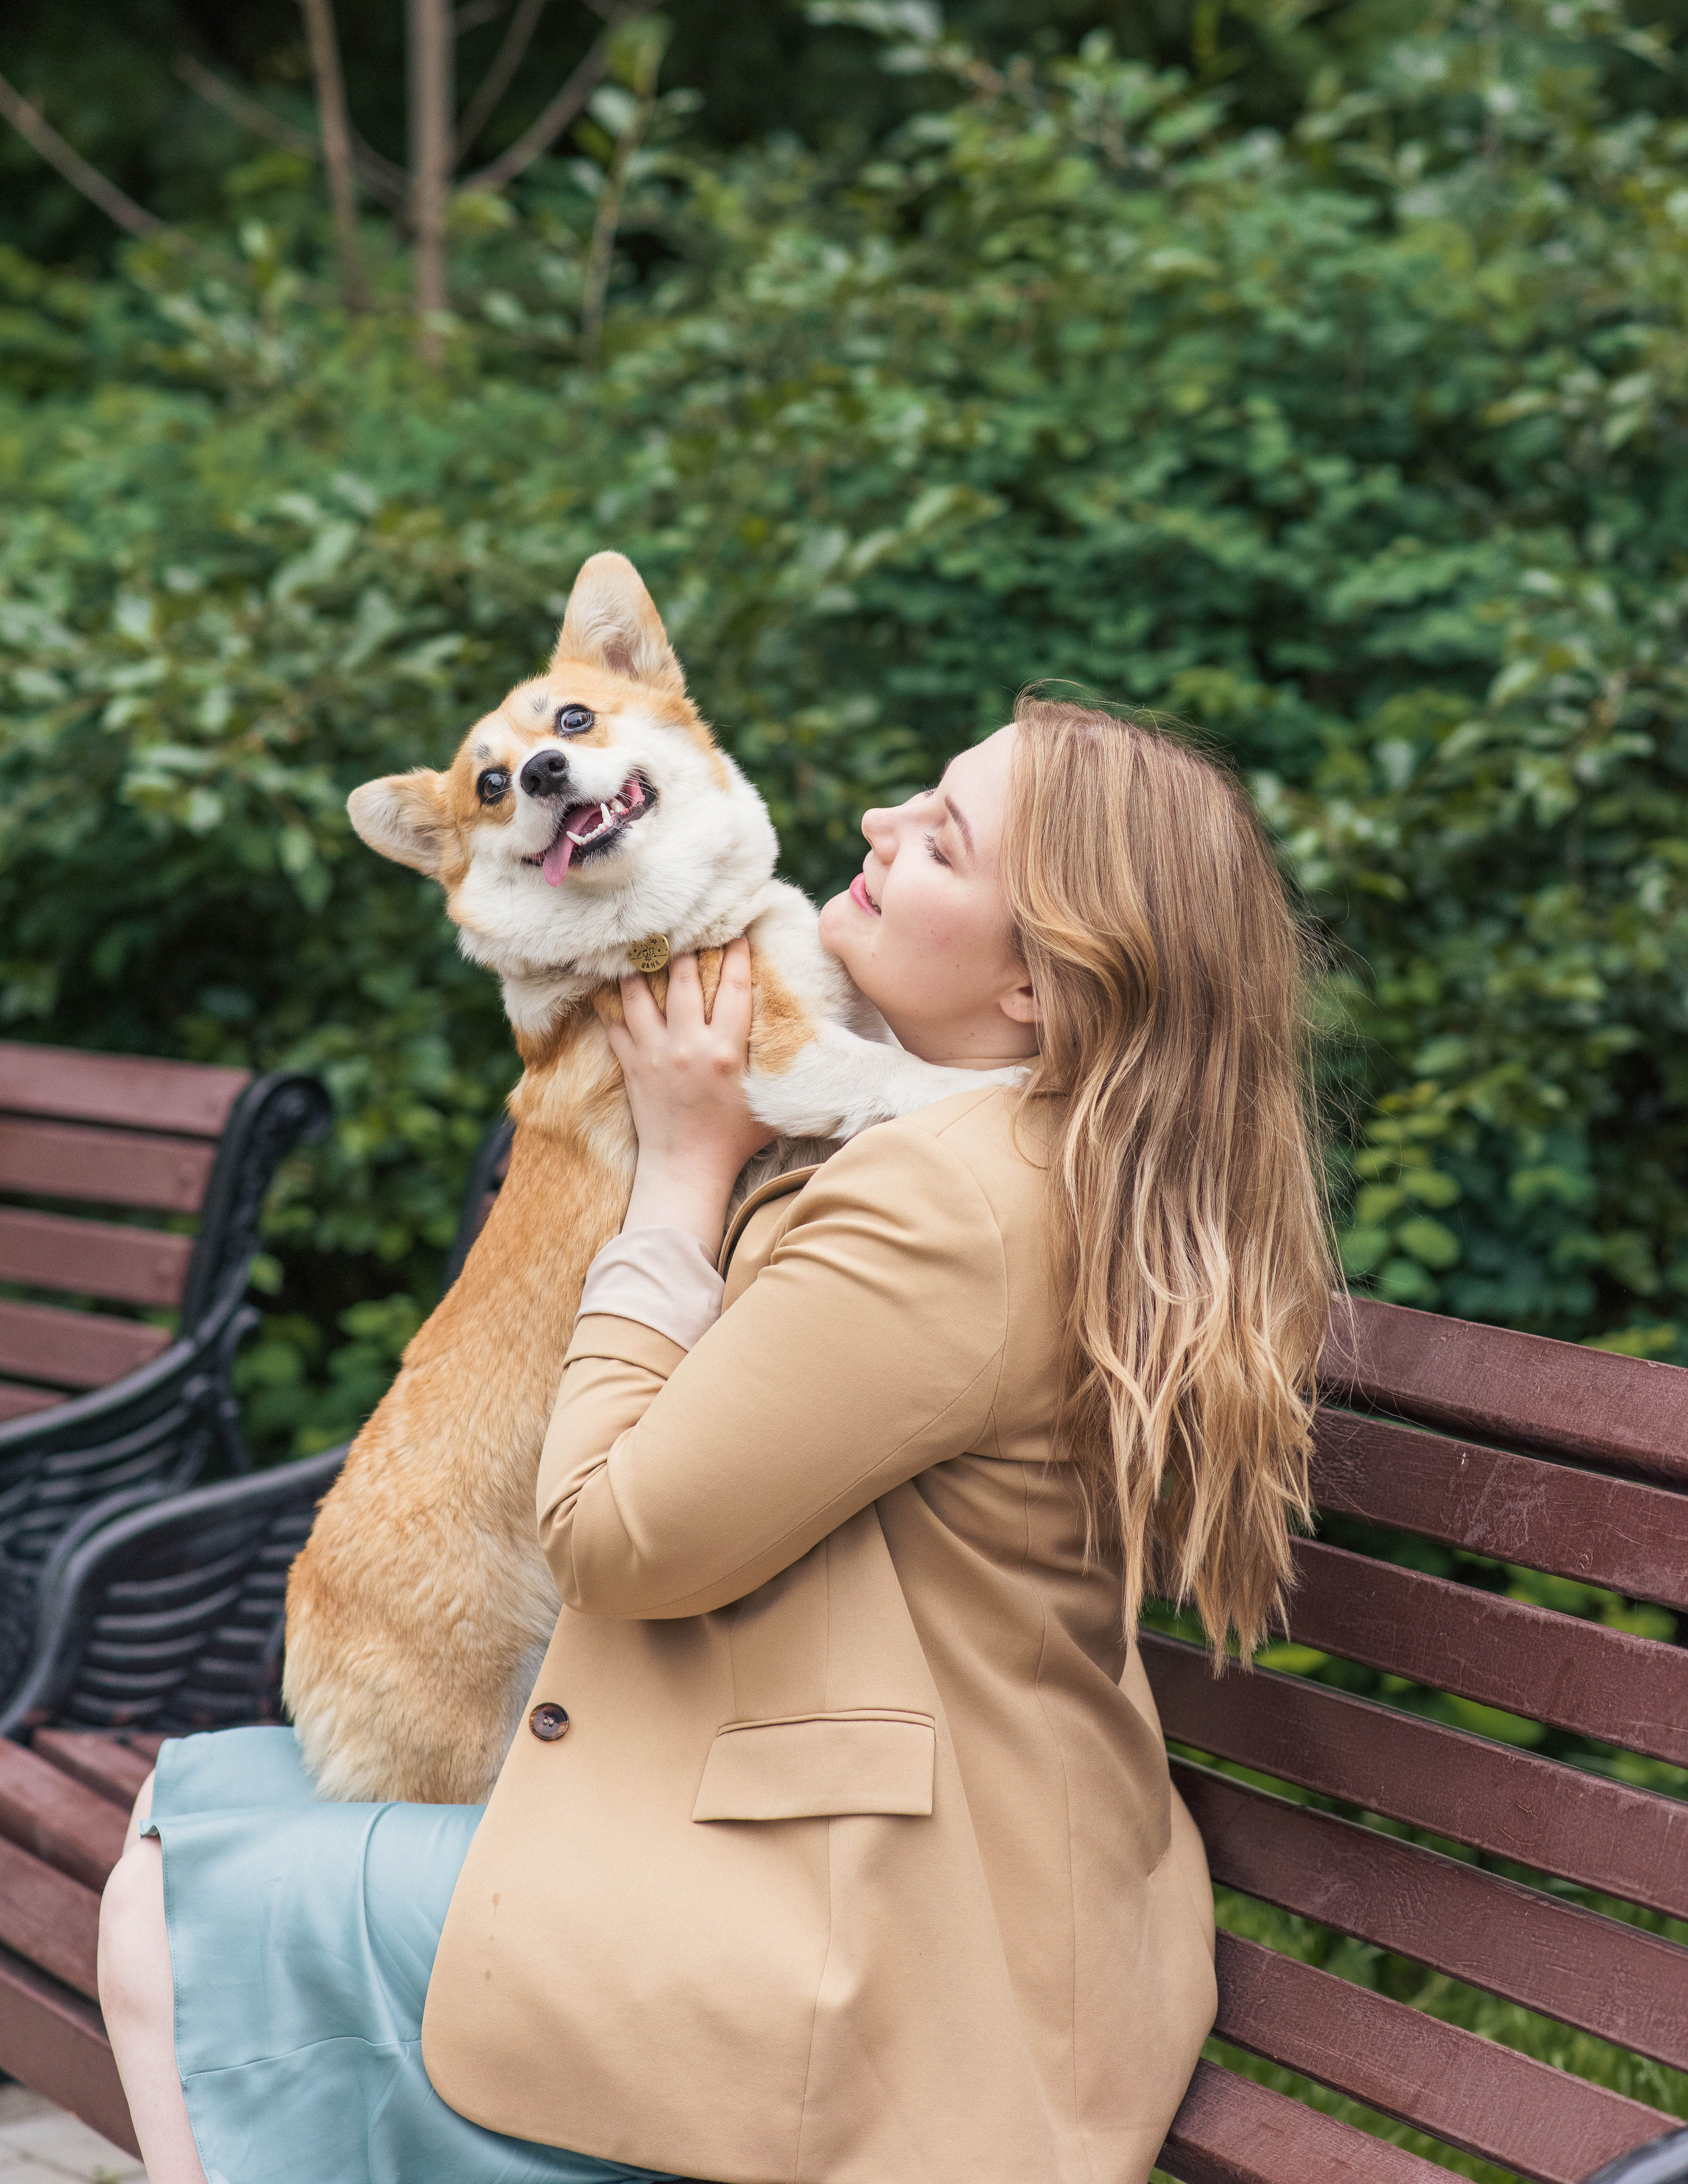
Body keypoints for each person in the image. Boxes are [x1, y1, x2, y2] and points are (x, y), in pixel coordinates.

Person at [98, 697, 1334, 2184]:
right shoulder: (1022, 1150)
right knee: (209, 1802)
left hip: (893, 1949)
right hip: (966, 1867)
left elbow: (617, 1543)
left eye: (939, 842)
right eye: (916, 799)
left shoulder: (947, 1203)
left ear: (1035, 983)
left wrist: (677, 1180)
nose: (879, 828)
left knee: (176, 1887)